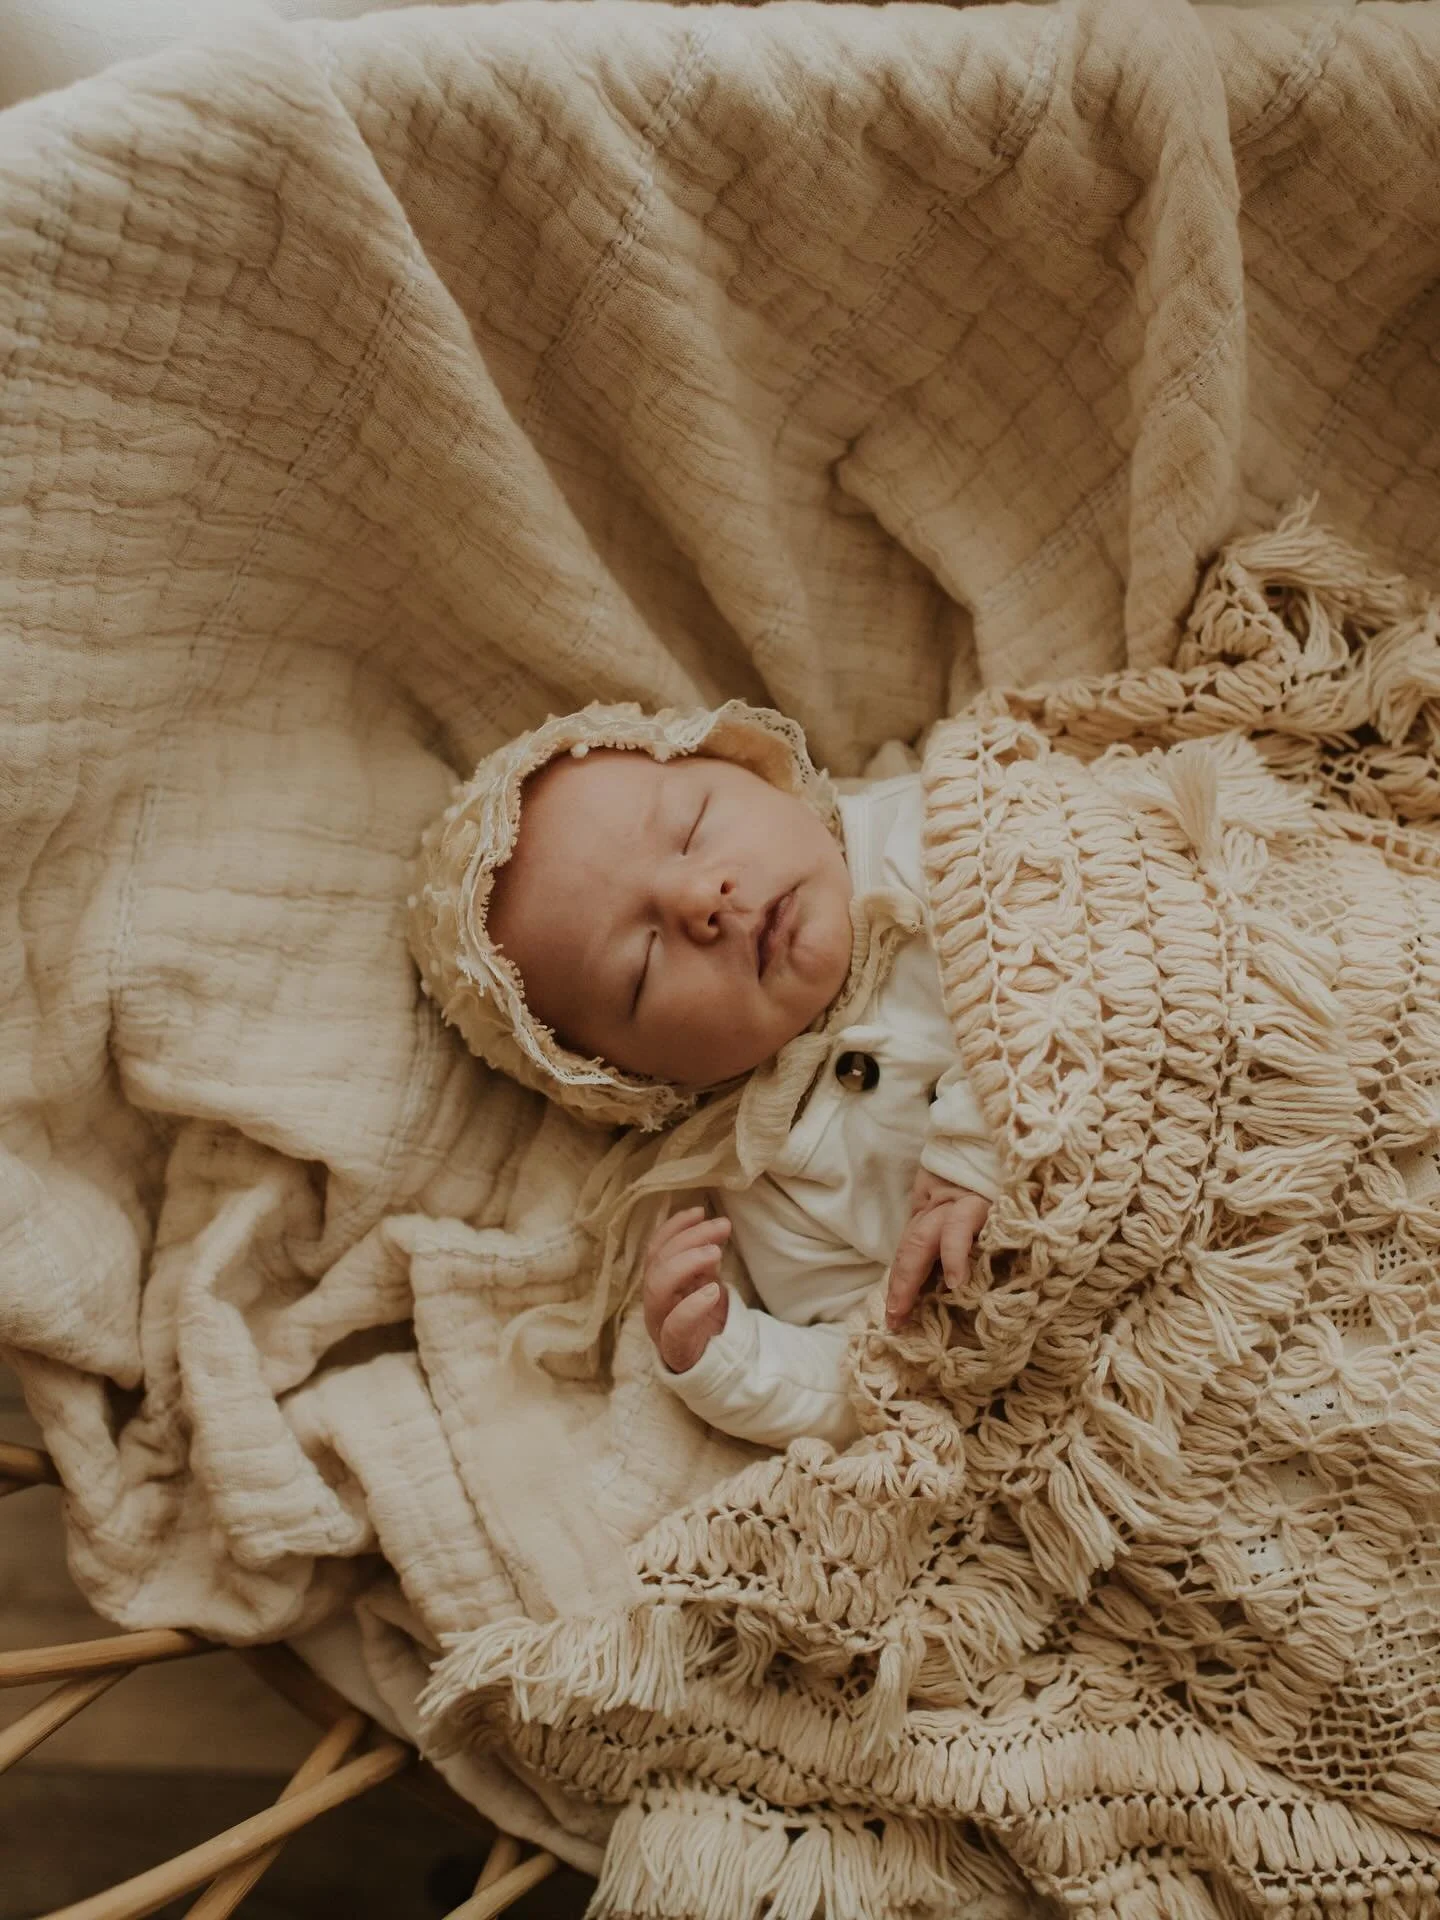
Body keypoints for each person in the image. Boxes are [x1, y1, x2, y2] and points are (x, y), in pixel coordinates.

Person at [407, 698, 998, 1450]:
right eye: (640, 968)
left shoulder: (935, 829)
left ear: (752, 768)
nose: (700, 900)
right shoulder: (769, 1177)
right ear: (630, 1080)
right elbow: (885, 1368)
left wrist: (985, 1135)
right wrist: (727, 1360)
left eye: (692, 827)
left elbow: (1102, 922)